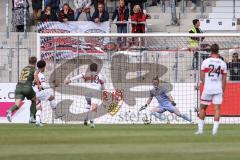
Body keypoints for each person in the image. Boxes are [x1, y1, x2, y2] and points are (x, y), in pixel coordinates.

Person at [195, 44, 227, 135]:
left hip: (208, 88)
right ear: (218, 51)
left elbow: (201, 76)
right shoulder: (222, 63)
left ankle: (200, 130)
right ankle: (214, 131)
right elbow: (224, 80)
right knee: (217, 109)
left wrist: (206, 84)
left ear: (210, 51)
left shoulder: (206, 61)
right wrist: (223, 91)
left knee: (202, 108)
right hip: (218, 89)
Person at [64, 63, 105, 128]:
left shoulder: (86, 73)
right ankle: (92, 121)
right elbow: (103, 86)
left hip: (87, 92)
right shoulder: (100, 75)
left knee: (88, 104)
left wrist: (69, 80)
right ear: (97, 69)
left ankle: (86, 118)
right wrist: (103, 90)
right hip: (95, 92)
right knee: (94, 106)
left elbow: (78, 76)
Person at [6, 57, 40, 123]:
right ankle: (31, 117)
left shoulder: (24, 68)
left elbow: (26, 78)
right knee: (34, 100)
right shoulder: (34, 69)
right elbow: (35, 78)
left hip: (18, 87)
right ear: (35, 62)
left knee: (17, 104)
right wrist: (38, 84)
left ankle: (10, 110)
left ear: (28, 61)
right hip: (27, 87)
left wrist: (32, 81)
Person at [33, 60, 60, 126]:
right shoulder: (41, 75)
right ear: (43, 67)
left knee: (39, 107)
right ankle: (56, 114)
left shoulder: (35, 73)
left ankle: (37, 121)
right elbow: (44, 86)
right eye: (45, 67)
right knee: (52, 97)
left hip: (33, 92)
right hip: (39, 92)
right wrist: (53, 85)